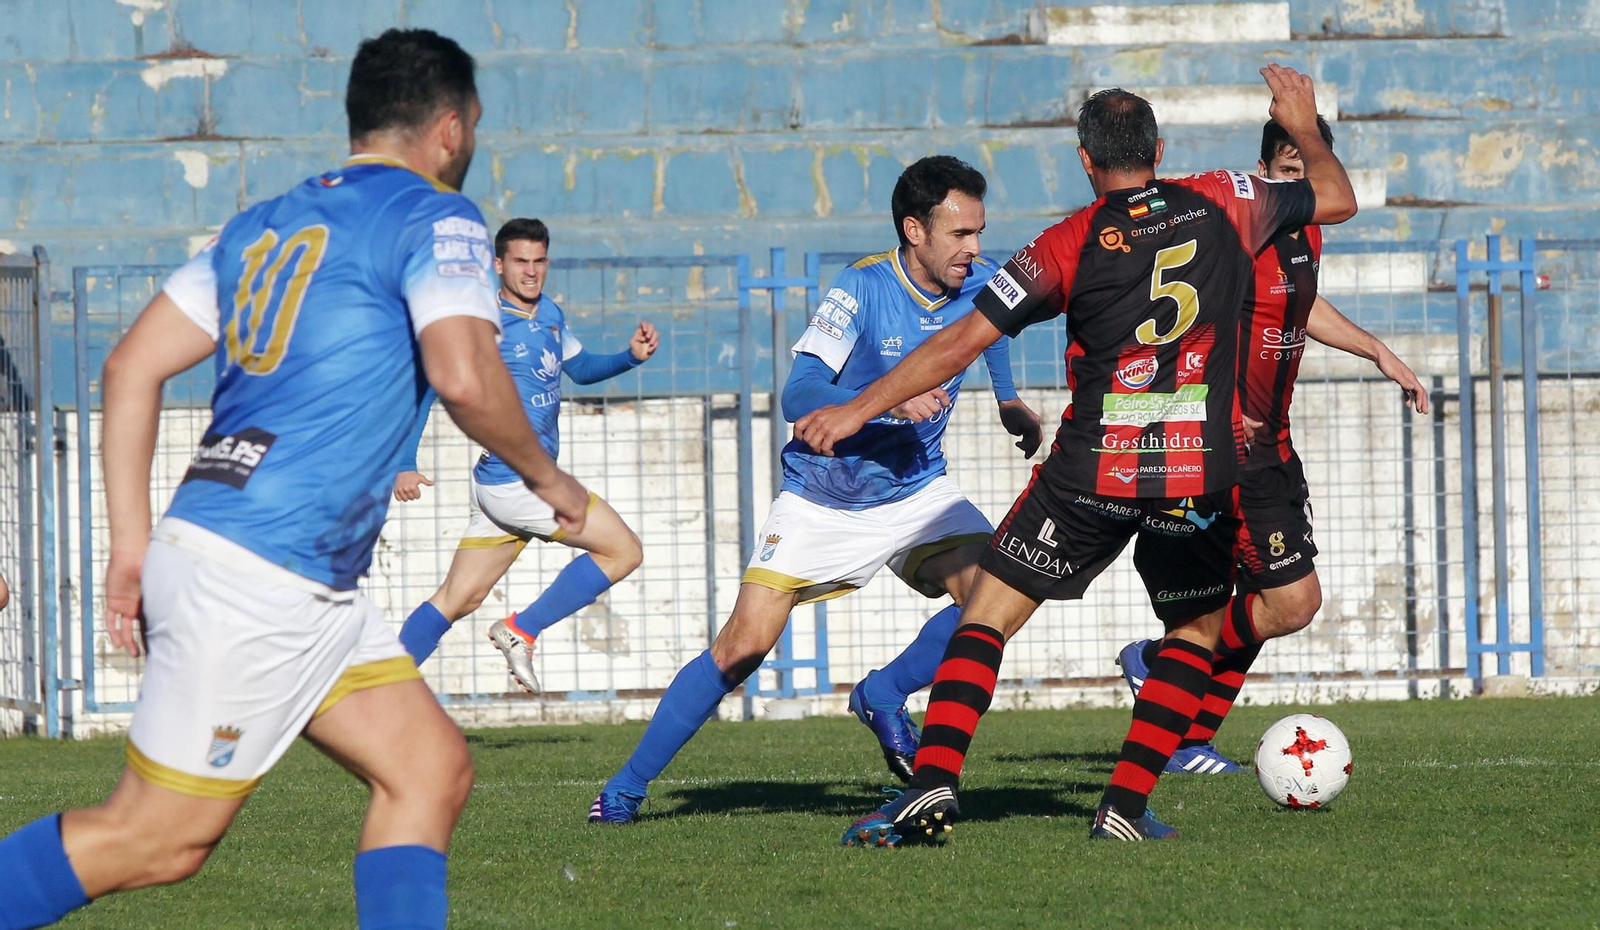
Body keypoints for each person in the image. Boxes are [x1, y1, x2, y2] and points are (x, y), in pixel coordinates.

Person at [0, 29, 588, 929]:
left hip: (281, 569)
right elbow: (465, 376)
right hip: (264, 573)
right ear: (451, 129)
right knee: (155, 839)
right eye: (473, 125)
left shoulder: (265, 222)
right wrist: (551, 480)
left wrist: (130, 545)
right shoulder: (435, 218)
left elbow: (129, 367)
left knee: (428, 769)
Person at [800, 65, 1357, 845]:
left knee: (987, 618)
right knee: (1194, 637)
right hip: (1195, 469)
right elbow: (1337, 199)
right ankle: (1122, 809)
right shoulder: (1225, 199)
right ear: (1159, 150)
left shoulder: (1068, 241)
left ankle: (932, 785)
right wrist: (1299, 120)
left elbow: (963, 340)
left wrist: (858, 405)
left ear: (1087, 162)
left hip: (1093, 468)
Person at [588, 155, 1043, 823]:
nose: (974, 250)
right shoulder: (858, 289)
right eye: (960, 235)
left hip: (919, 491)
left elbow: (990, 331)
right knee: (742, 646)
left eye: (978, 233)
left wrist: (1008, 402)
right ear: (914, 230)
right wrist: (887, 400)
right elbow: (799, 392)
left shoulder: (976, 284)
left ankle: (884, 693)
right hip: (825, 496)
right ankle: (623, 791)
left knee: (1000, 597)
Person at [1117, 117, 1430, 775]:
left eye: (1304, 174)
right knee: (1293, 602)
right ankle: (1157, 660)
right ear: (1261, 170)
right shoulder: (1235, 230)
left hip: (1276, 446)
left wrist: (1377, 350)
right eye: (1284, 173)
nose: (1295, 186)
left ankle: (1189, 741)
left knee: (1260, 594)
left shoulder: (1307, 230)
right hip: (1232, 449)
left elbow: (1301, 306)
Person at [393, 217, 659, 692]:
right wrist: (404, 462)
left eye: (538, 262)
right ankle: (522, 629)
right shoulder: (481, 321)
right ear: (498, 265)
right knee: (623, 551)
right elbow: (427, 386)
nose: (531, 272)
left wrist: (630, 357)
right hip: (518, 483)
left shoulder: (550, 314)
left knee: (458, 597)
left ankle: (377, 693)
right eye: (520, 262)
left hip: (505, 485)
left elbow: (579, 369)